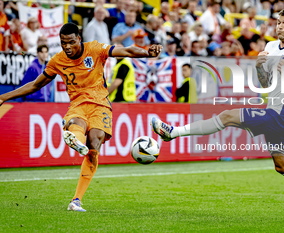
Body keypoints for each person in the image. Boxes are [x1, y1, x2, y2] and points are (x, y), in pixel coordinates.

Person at [151, 8, 284, 222]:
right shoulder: (270, 47)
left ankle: (173, 132)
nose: (279, 26)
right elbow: (266, 83)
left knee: (227, 116)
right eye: (278, 22)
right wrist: (260, 68)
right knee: (283, 165)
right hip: (277, 113)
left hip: (281, 115)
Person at [0, 23, 163, 212]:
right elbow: (36, 85)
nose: (67, 47)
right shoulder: (57, 60)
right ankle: (74, 138)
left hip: (100, 105)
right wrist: (4, 96)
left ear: (79, 39)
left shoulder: (94, 48)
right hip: (77, 104)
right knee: (76, 123)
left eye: (70, 42)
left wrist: (146, 52)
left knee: (94, 144)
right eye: (63, 43)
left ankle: (76, 199)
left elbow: (125, 50)